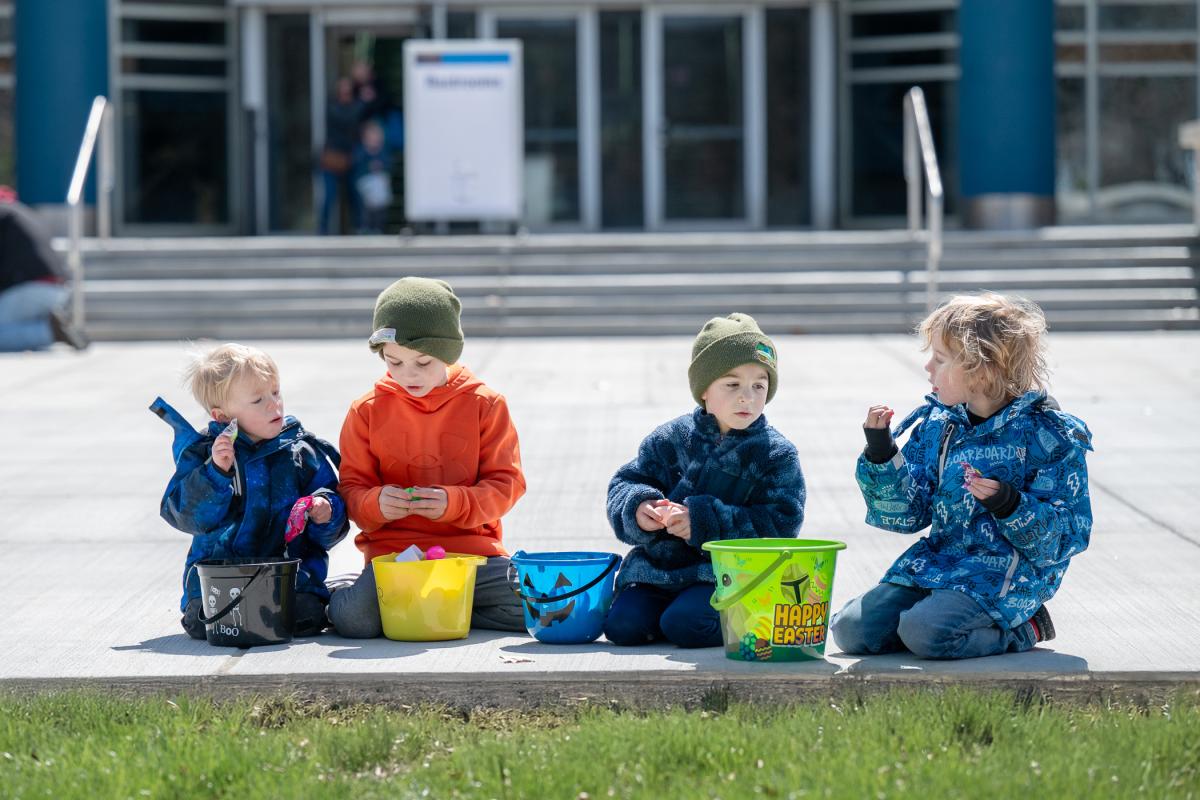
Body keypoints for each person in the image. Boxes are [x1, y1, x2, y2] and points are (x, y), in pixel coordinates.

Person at [830, 292, 1093, 660]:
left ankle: (1025, 627)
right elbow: (908, 514)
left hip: (1004, 576)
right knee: (851, 630)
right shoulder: (940, 425)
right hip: (938, 564)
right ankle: (930, 619)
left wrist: (1010, 504)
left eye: (939, 359)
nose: (928, 369)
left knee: (927, 633)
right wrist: (882, 453)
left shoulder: (1048, 435)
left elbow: (1068, 537)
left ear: (981, 369)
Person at [327, 277, 527, 637]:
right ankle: (350, 589)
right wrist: (376, 504)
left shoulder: (486, 404)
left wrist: (456, 503)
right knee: (355, 620)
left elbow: (507, 485)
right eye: (395, 362)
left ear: (449, 353)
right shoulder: (366, 410)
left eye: (422, 362)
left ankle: (434, 609)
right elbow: (352, 489)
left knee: (539, 605)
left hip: (472, 557)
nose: (408, 375)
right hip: (395, 558)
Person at [603, 313, 806, 648]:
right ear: (704, 391)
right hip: (657, 571)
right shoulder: (670, 438)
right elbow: (625, 482)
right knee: (622, 627)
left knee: (686, 625)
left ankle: (736, 618)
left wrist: (704, 521)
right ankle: (662, 617)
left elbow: (781, 524)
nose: (747, 397)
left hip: (727, 578)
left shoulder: (776, 454)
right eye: (732, 384)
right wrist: (639, 507)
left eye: (759, 385)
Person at [150, 343, 349, 639]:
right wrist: (216, 473)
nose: (274, 405)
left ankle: (313, 597)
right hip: (220, 578)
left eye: (276, 392)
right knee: (201, 624)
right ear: (222, 416)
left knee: (307, 616)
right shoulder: (204, 454)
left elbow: (334, 525)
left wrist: (327, 510)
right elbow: (183, 514)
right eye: (258, 400)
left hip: (288, 578)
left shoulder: (299, 450)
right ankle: (205, 605)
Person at [0, 192, 89, 351]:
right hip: (58, 288)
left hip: (27, 288)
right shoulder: (23, 212)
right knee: (15, 328)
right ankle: (50, 327)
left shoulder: (4, 214)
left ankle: (50, 332)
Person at [318, 78, 363, 235]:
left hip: (351, 158)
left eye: (347, 90)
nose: (345, 94)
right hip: (333, 158)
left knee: (354, 195)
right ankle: (322, 229)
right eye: (342, 90)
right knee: (329, 195)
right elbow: (345, 118)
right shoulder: (332, 107)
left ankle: (358, 227)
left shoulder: (357, 106)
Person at [353, 120, 393, 234]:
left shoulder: (383, 152)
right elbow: (358, 167)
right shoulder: (361, 151)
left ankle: (378, 228)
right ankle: (364, 227)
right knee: (365, 209)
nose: (374, 140)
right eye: (371, 137)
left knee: (380, 208)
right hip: (365, 186)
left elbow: (388, 166)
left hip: (379, 186)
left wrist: (380, 166)